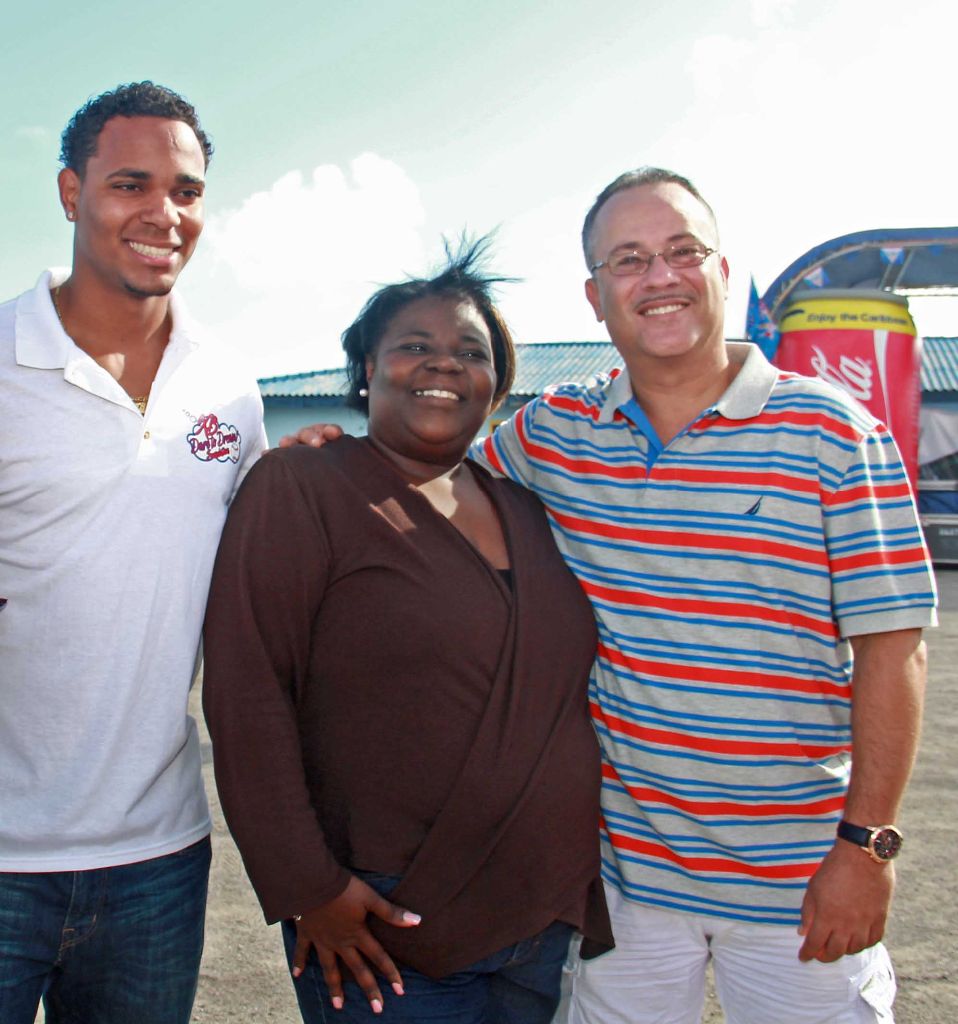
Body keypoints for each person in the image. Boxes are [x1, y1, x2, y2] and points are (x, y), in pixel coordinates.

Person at [286, 169, 937, 1022]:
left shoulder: (835, 434)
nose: (658, 277)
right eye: (628, 260)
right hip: (623, 886)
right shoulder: (552, 436)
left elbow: (894, 650)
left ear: (723, 270)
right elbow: (431, 463)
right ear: (594, 296)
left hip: (801, 878)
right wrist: (332, 454)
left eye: (682, 252)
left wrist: (867, 848)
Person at [201, 241, 612, 1024]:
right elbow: (247, 695)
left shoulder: (527, 506)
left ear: (498, 384)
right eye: (414, 346)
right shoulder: (303, 486)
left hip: (539, 915)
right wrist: (308, 887)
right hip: (382, 925)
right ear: (365, 368)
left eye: (471, 351)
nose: (444, 364)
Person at [0, 82, 266, 1023]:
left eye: (187, 191)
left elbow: (262, 561)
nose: (164, 214)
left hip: (159, 857)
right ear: (71, 194)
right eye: (130, 184)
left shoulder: (231, 387)